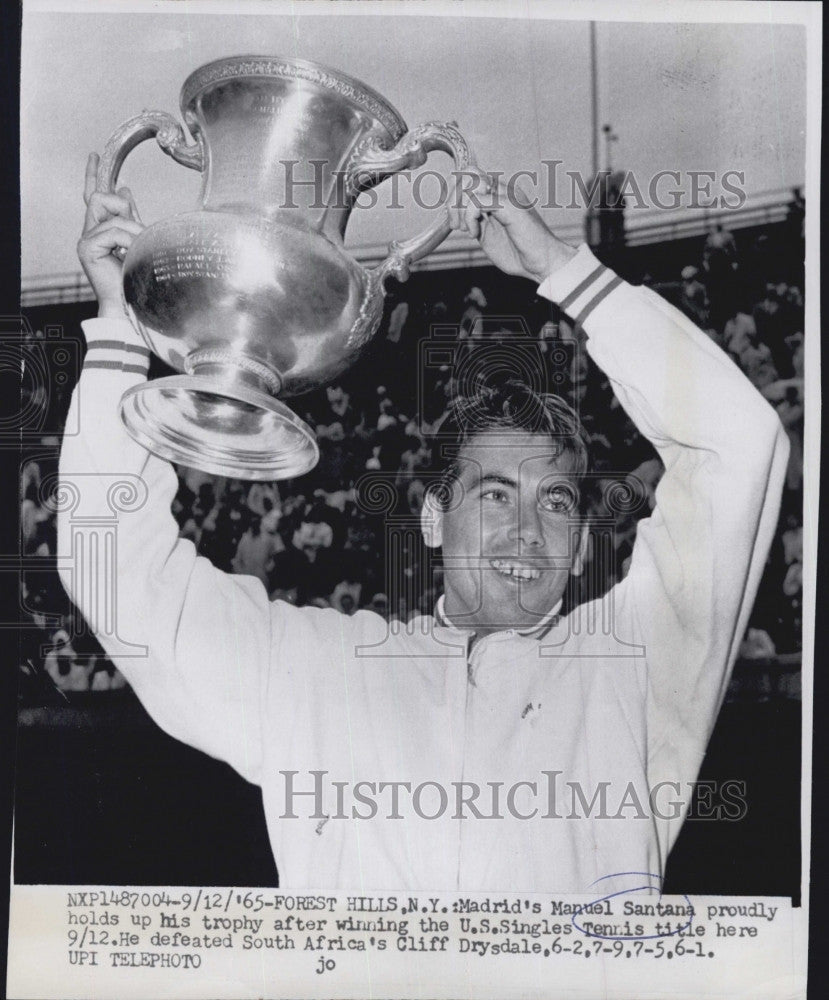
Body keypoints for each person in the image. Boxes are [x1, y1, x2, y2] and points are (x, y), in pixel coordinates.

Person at [59, 154, 788, 892]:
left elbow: (738, 444)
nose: (528, 529)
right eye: (495, 495)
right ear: (433, 519)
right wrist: (121, 330)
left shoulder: (638, 668)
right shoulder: (322, 671)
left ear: (579, 548)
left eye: (556, 501)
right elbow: (115, 570)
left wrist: (567, 271)